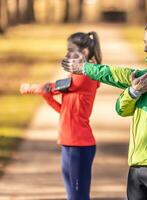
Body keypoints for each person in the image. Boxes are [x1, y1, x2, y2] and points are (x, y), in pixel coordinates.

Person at [62, 22, 147, 200]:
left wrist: (85, 68)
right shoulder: (144, 82)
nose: (146, 48)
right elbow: (120, 109)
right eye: (145, 42)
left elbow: (126, 75)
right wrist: (133, 91)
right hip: (136, 163)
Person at [20, 32, 102, 200]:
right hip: (68, 144)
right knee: (71, 195)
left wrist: (33, 88)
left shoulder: (86, 76)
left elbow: (54, 87)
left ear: (85, 52)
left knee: (78, 196)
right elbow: (64, 110)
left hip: (80, 146)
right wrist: (45, 96)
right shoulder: (74, 77)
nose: (67, 54)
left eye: (71, 50)